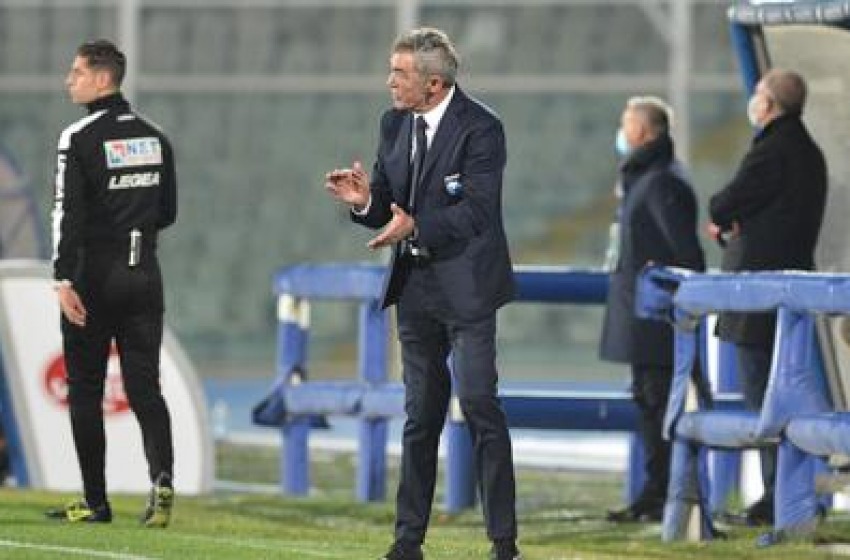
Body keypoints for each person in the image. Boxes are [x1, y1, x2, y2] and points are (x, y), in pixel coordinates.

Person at [325, 27, 520, 560]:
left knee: (479, 406)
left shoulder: (482, 128)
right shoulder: (392, 123)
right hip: (416, 289)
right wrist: (364, 202)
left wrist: (416, 226)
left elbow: (477, 211)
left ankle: (504, 543)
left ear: (433, 84)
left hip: (468, 289)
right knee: (420, 418)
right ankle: (407, 541)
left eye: (400, 73)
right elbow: (388, 204)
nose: (389, 82)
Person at [46, 40, 177, 527]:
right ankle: (162, 481)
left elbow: (66, 215)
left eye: (77, 72)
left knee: (85, 388)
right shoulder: (155, 137)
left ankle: (96, 502)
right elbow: (167, 212)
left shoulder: (78, 137)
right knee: (145, 387)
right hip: (144, 276)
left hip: (94, 279)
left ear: (102, 79)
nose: (69, 80)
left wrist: (63, 279)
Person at [708, 69, 827, 526]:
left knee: (763, 399)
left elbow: (724, 203)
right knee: (790, 398)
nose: (753, 99)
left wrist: (729, 218)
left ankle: (777, 499)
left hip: (759, 297)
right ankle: (787, 496)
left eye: (758, 93)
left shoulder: (771, 150)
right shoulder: (809, 151)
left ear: (770, 103)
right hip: (793, 295)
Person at [600, 96, 705, 523]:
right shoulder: (643, 178)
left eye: (626, 124)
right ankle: (655, 493)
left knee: (658, 405)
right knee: (648, 404)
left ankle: (664, 495)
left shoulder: (660, 182)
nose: (621, 132)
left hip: (655, 317)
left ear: (642, 132)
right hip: (642, 314)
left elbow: (686, 254)